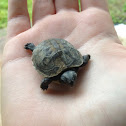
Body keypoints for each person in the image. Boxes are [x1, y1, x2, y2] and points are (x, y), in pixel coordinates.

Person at [2, 0, 126, 126]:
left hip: (58, 48)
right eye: (70, 81)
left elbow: (81, 61)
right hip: (45, 49)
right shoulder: (58, 73)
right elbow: (47, 79)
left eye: (71, 80)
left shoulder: (75, 65)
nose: (72, 82)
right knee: (41, 52)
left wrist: (86, 59)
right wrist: (45, 84)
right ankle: (34, 48)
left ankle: (36, 49)